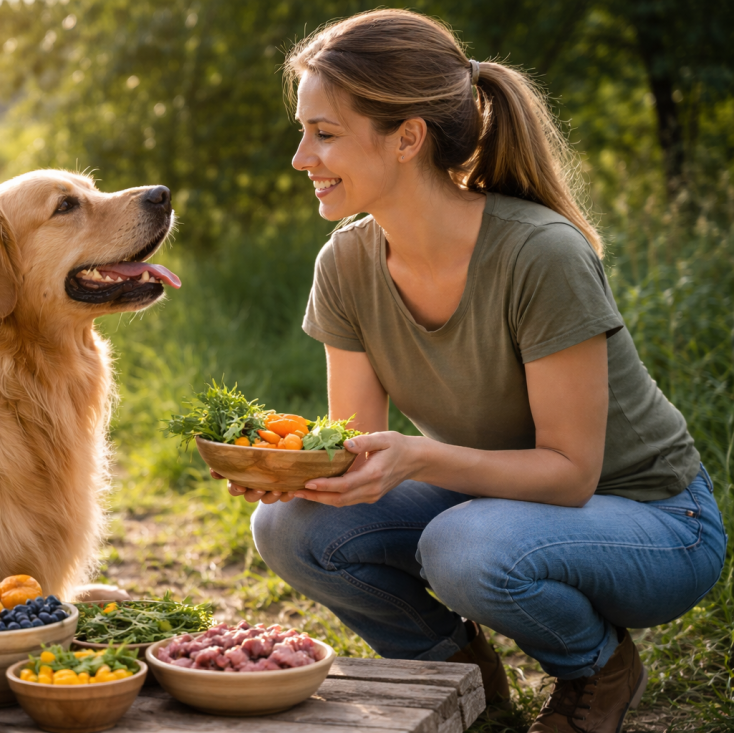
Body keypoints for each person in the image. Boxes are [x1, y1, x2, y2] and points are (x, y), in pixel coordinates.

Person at [223, 10, 727, 733]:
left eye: (324, 133)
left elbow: (571, 474)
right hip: (495, 501)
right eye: (303, 132)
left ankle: (597, 667)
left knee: (460, 547)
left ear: (407, 138)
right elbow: (355, 449)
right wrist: (288, 471)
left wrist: (420, 456)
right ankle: (457, 672)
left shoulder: (539, 253)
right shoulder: (345, 264)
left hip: (655, 521)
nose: (302, 157)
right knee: (288, 525)